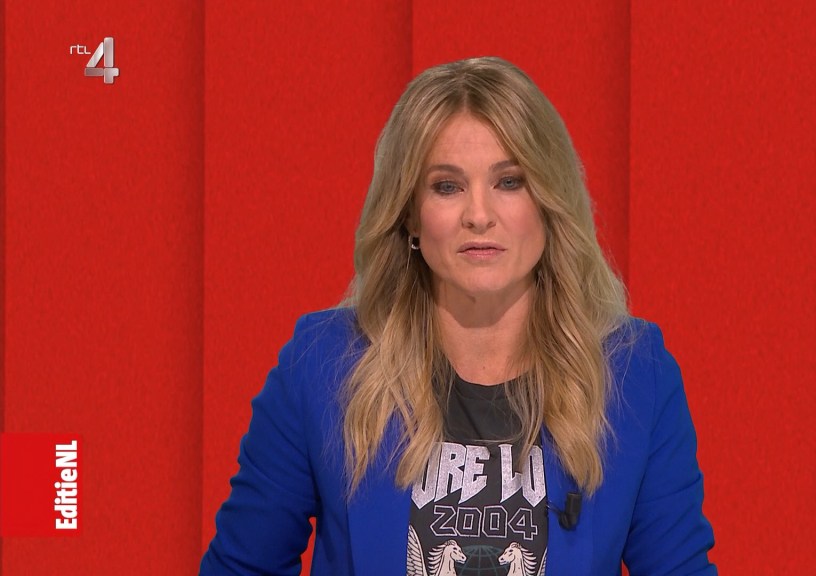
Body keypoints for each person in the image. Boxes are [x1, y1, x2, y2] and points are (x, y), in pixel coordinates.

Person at [199, 56, 716, 576]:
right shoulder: (322, 367)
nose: (479, 215)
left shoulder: (636, 374)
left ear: (548, 202)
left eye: (509, 182)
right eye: (447, 186)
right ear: (409, 214)